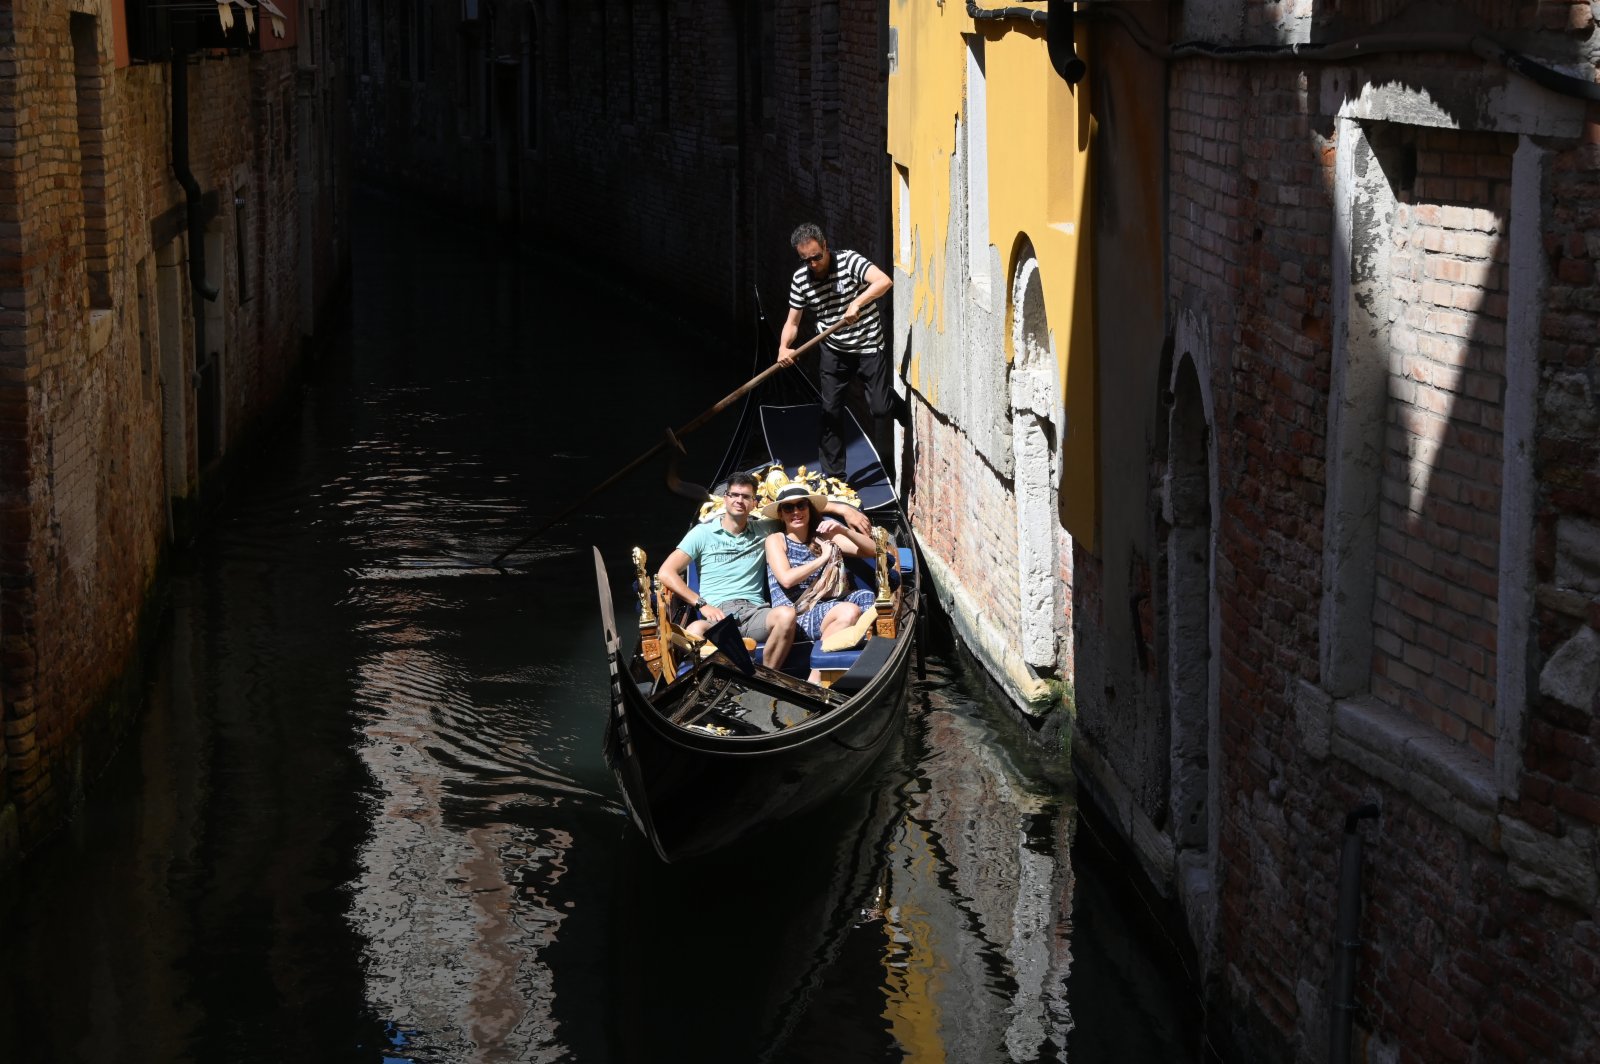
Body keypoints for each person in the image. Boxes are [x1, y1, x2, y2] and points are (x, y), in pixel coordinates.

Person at [657, 472, 868, 672]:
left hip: (755, 613)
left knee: (787, 614)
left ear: (754, 503)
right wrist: (701, 604)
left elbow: (799, 510)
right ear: (725, 499)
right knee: (694, 631)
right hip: (717, 613)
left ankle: (767, 678)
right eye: (734, 495)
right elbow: (666, 572)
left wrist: (844, 509)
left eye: (746, 497)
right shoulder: (702, 533)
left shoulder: (764, 529)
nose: (740, 500)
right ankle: (716, 685)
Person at [777, 223, 898, 482]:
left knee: (879, 408)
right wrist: (783, 348)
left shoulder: (849, 261)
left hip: (867, 343)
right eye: (806, 260)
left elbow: (884, 281)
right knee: (830, 411)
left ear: (825, 248)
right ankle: (834, 478)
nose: (813, 264)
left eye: (817, 257)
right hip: (833, 349)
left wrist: (857, 302)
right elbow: (793, 322)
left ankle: (888, 468)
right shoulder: (801, 279)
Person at [762, 482, 880, 683]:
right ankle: (815, 678)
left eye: (801, 505)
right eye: (789, 508)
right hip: (795, 614)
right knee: (849, 612)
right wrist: (823, 559)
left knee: (867, 597)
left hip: (825, 606)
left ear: (809, 508)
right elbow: (787, 579)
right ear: (781, 514)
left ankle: (862, 661)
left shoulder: (822, 537)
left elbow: (873, 550)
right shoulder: (776, 539)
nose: (796, 512)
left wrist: (843, 530)